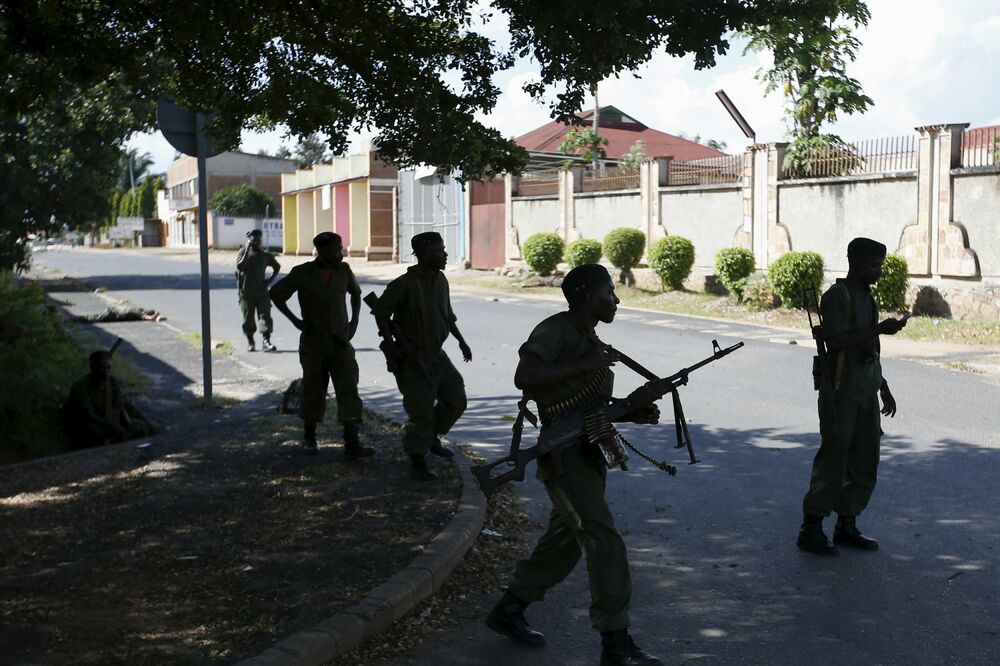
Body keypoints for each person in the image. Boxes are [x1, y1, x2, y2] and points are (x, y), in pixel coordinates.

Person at [485, 264, 662, 666]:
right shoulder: (557, 330)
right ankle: (614, 641)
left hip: (587, 451)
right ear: (585, 295)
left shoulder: (589, 337)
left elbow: (586, 407)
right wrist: (585, 364)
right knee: (603, 539)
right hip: (564, 458)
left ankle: (509, 609)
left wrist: (631, 411)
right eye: (609, 292)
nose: (616, 300)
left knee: (565, 543)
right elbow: (525, 375)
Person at [797, 237, 908, 556]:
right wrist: (879, 330)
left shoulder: (867, 297)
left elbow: (868, 348)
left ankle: (847, 524)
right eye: (874, 265)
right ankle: (812, 527)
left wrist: (883, 385)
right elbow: (835, 341)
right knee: (834, 457)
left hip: (866, 390)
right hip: (841, 391)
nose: (879, 271)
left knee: (865, 458)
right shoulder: (837, 296)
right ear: (855, 262)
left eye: (880, 265)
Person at [369, 231, 471, 481]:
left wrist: (461, 341)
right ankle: (417, 460)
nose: (445, 255)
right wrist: (391, 344)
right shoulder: (403, 284)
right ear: (424, 255)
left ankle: (432, 437)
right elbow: (382, 312)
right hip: (412, 357)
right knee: (421, 410)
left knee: (456, 399)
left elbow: (448, 315)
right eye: (439, 251)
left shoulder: (441, 280)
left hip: (437, 355)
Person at [269, 232, 373, 459]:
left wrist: (354, 322)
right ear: (322, 251)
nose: (341, 253)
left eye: (341, 248)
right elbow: (276, 293)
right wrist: (296, 320)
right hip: (313, 342)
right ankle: (309, 437)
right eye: (337, 250)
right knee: (313, 389)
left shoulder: (344, 271)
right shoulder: (303, 273)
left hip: (340, 342)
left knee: (348, 389)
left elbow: (356, 293)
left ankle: (352, 442)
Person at [61, 350, 153, 449]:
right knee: (95, 431)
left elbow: (119, 406)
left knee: (136, 418)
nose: (106, 372)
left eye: (108, 368)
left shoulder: (112, 382)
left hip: (106, 417)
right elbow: (87, 414)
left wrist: (128, 423)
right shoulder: (81, 386)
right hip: (87, 420)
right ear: (93, 368)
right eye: (101, 368)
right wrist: (112, 425)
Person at [236, 229, 281, 352]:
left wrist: (269, 280)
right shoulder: (242, 253)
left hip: (262, 292)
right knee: (248, 319)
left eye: (258, 239)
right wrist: (247, 249)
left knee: (265, 316)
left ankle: (266, 342)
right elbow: (240, 266)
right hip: (246, 293)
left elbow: (277, 267)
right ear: (249, 240)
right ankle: (251, 342)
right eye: (253, 239)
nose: (256, 241)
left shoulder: (265, 255)